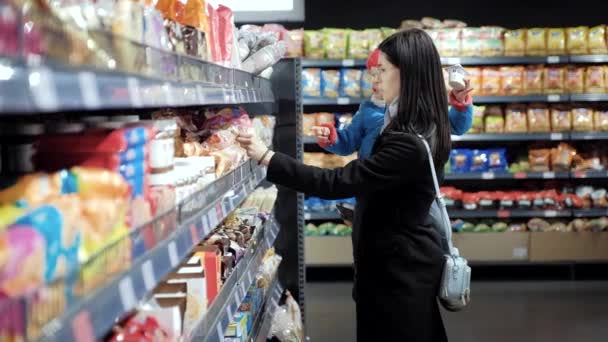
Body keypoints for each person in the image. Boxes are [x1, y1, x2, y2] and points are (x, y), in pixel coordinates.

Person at [238, 29, 450, 341]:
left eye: (383, 70)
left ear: (409, 74)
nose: (375, 79)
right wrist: (369, 211)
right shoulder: (419, 124)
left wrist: (267, 157)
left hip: (398, 272)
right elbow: (398, 194)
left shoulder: (408, 142)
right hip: (403, 262)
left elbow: (336, 181)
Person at [312, 48, 473, 160]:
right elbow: (347, 143)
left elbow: (456, 127)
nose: (375, 81)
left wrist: (460, 104)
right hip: (371, 183)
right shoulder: (367, 110)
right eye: (372, 75)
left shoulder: (421, 107)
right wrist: (331, 137)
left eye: (382, 74)